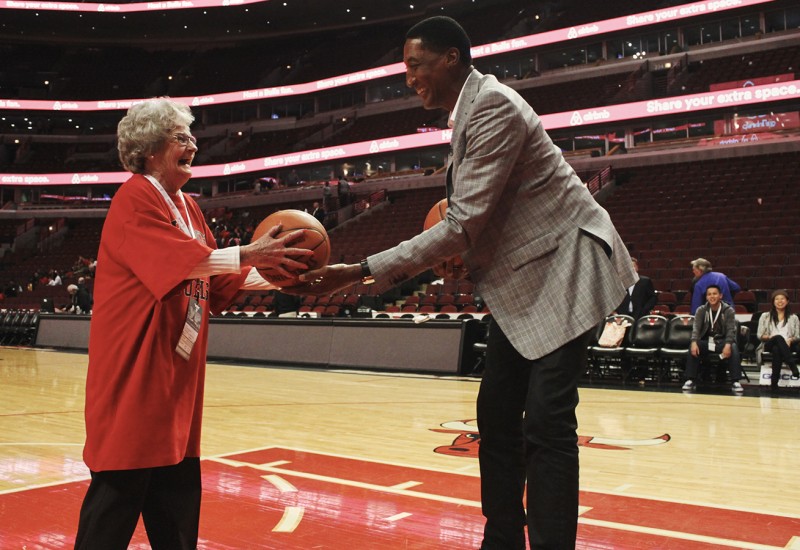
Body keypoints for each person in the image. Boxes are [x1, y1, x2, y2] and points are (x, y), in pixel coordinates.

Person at [287, 16, 636, 549]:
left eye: (415, 65)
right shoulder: (467, 109)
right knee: (496, 417)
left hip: (567, 267)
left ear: (451, 58)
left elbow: (463, 223)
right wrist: (464, 251)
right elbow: (477, 221)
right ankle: (501, 539)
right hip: (525, 279)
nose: (408, 78)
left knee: (547, 424)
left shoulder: (493, 106)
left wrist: (357, 273)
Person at [74, 97, 312, 549]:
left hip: (176, 378)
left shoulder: (188, 206)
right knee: (116, 501)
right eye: (180, 137)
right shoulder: (134, 197)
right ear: (150, 150)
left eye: (191, 136)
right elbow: (182, 261)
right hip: (135, 374)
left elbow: (217, 277)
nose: (193, 144)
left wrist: (290, 278)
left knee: (178, 504)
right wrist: (251, 253)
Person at [682, 284, 744, 393]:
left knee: (733, 347)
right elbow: (696, 328)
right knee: (693, 346)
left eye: (714, 294)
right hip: (707, 342)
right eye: (709, 294)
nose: (712, 296)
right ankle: (690, 379)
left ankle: (735, 381)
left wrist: (728, 344)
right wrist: (694, 342)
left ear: (720, 295)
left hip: (721, 342)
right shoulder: (701, 310)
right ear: (706, 297)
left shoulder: (728, 310)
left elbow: (731, 330)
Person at [757, 289, 800, 389]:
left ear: (787, 301)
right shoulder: (765, 316)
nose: (780, 301)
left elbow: (798, 336)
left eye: (782, 299)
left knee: (777, 349)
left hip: (787, 345)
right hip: (769, 344)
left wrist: (790, 340)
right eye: (777, 299)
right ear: (773, 302)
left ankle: (774, 383)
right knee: (778, 338)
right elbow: (760, 335)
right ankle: (792, 365)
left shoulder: (794, 317)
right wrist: (770, 337)